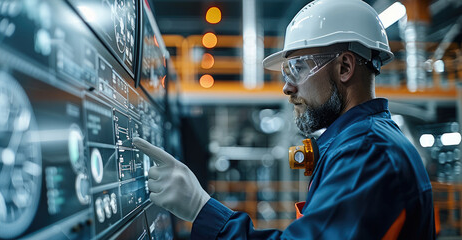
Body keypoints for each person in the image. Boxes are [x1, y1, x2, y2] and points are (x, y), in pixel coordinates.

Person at [133, 0, 436, 238]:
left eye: (299, 69)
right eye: (286, 73)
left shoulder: (368, 153)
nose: (287, 87)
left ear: (344, 67)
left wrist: (201, 209)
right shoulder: (360, 144)